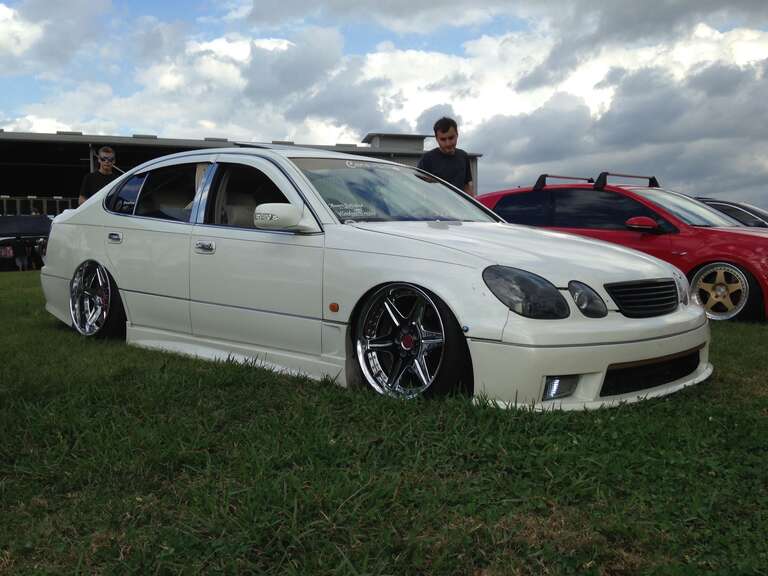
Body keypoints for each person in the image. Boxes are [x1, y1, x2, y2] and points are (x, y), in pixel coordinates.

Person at [417, 117, 474, 196]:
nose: (448, 143)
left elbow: (467, 186)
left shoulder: (463, 156)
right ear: (437, 139)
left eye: (451, 138)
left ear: (457, 135)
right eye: (443, 139)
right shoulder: (427, 159)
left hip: (459, 207)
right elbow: (420, 189)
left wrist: (471, 206)